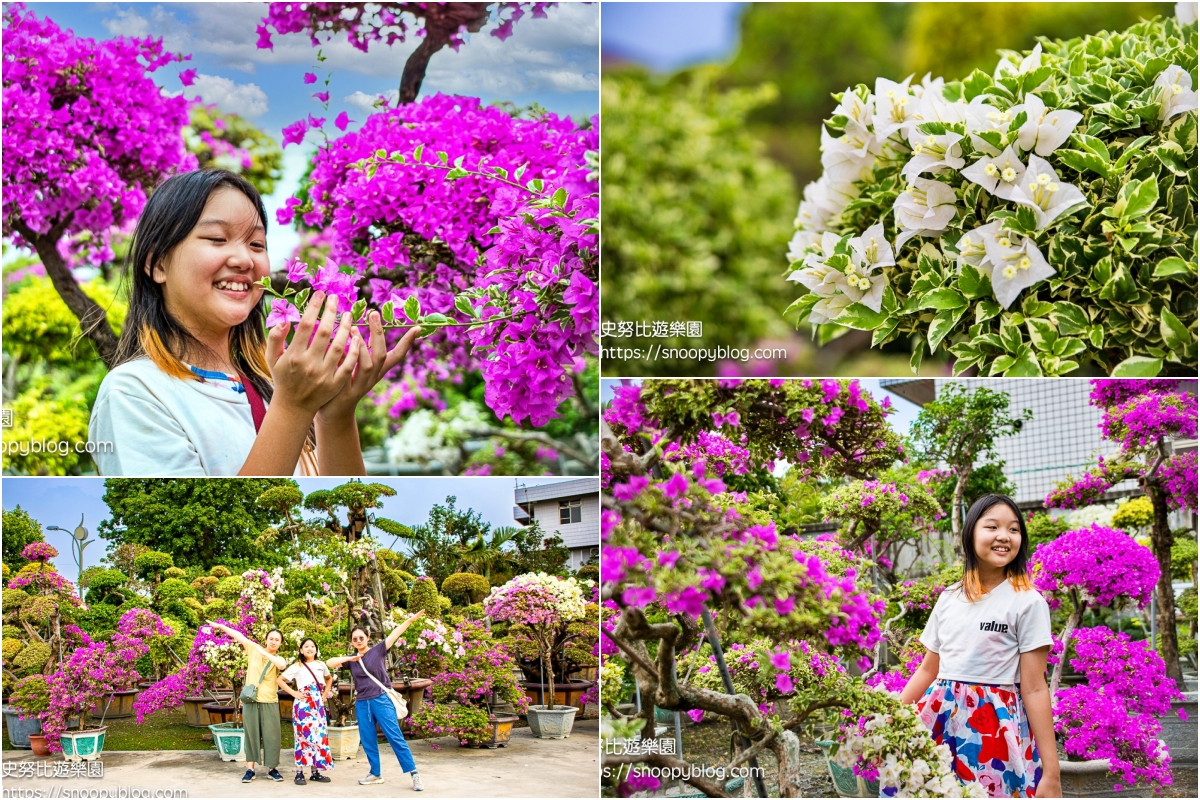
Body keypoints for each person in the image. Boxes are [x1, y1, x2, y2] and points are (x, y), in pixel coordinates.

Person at [87, 168, 421, 476]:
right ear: (157, 264)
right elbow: (207, 539)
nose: (245, 259)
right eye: (217, 239)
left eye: (256, 244)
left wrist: (335, 414)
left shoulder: (278, 383)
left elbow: (348, 524)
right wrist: (291, 407)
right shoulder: (134, 393)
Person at [899, 494, 1060, 799]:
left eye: (1014, 529)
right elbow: (927, 670)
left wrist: (1051, 773)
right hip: (939, 721)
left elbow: (1035, 688)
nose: (1004, 536)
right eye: (992, 527)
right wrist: (889, 719)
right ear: (971, 533)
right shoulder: (949, 597)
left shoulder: (1027, 602)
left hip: (995, 733)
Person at [327, 611, 427, 791]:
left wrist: (410, 620)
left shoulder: (378, 650)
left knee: (394, 736)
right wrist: (351, 658)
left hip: (381, 699)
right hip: (362, 702)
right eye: (355, 639)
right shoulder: (351, 660)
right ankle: (375, 773)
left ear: (367, 637)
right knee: (367, 739)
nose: (358, 641)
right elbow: (330, 662)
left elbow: (395, 633)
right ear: (352, 641)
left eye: (361, 637)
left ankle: (414, 773)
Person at [208, 622, 289, 784]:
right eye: (271, 638)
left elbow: (281, 665)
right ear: (266, 639)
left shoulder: (278, 658)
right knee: (251, 736)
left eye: (277, 640)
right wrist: (220, 626)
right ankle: (250, 769)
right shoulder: (253, 648)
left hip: (270, 702)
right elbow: (237, 635)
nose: (273, 642)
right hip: (251, 701)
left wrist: (265, 654)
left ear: (280, 643)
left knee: (272, 736)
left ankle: (272, 768)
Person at [277, 637, 335, 785]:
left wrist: (324, 695)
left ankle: (315, 772)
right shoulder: (297, 666)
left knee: (318, 736)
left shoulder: (321, 665)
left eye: (312, 646)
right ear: (301, 650)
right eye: (306, 646)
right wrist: (294, 693)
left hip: (317, 705)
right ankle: (299, 773)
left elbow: (329, 679)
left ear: (316, 650)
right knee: (302, 737)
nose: (310, 648)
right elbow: (279, 680)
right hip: (303, 706)